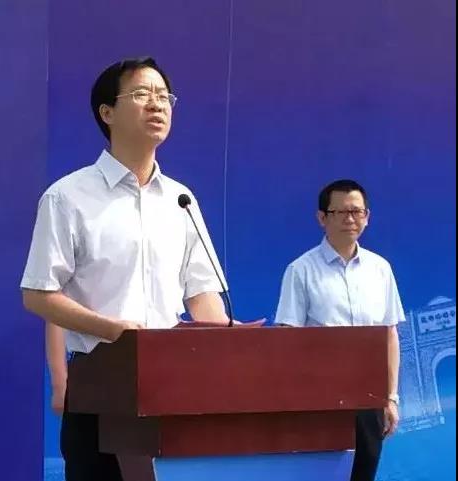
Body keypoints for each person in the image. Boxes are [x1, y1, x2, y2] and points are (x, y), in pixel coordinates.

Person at [21, 57, 229, 481]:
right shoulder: (68, 197)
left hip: (174, 386)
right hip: (100, 384)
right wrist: (112, 329)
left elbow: (201, 292)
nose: (157, 104)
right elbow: (38, 294)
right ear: (107, 112)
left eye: (164, 96)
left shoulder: (181, 200)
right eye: (141, 94)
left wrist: (228, 339)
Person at [274, 179, 405, 481]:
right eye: (341, 212)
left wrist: (390, 397)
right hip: (319, 400)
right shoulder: (301, 270)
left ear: (367, 217)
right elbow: (287, 339)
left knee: (363, 474)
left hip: (369, 398)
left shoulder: (380, 269)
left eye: (357, 212)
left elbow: (389, 335)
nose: (350, 219)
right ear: (322, 218)